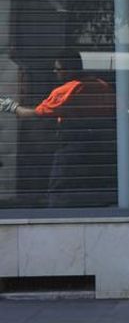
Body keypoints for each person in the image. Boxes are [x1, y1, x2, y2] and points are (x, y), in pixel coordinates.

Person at [0, 51, 115, 206]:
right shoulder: (101, 85)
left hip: (73, 145)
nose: (55, 72)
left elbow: (37, 114)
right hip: (101, 147)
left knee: (60, 189)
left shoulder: (68, 90)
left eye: (58, 69)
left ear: (70, 69)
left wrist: (11, 107)